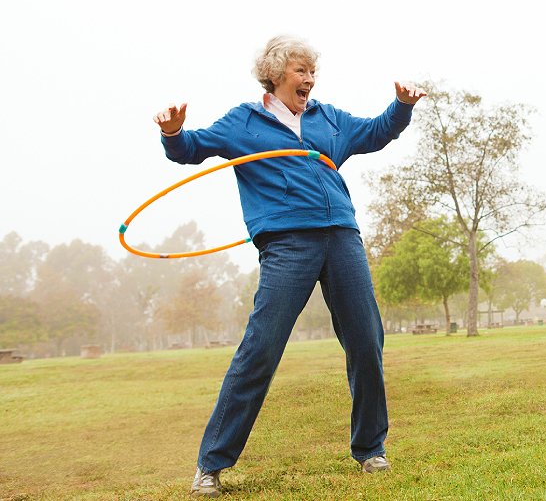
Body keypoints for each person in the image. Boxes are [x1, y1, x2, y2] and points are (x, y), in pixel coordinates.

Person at [153, 35, 425, 497]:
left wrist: (400, 107)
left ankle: (371, 448)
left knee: (366, 340)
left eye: (312, 71)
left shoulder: (328, 118)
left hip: (341, 235)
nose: (310, 79)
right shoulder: (244, 122)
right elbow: (190, 150)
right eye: (301, 71)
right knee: (260, 349)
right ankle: (210, 464)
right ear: (277, 75)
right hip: (286, 243)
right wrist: (173, 132)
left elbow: (376, 132)